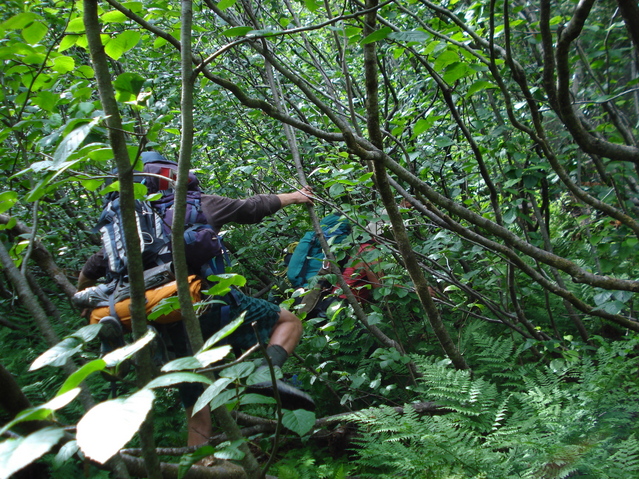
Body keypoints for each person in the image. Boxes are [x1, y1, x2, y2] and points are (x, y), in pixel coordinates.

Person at [77, 152, 315, 447]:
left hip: (161, 323)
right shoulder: (197, 204)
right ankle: (266, 374)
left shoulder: (126, 230)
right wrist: (296, 196)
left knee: (197, 410)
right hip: (205, 305)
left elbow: (89, 273)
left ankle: (201, 462)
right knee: (288, 321)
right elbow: (253, 208)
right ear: (174, 176)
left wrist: (89, 296)